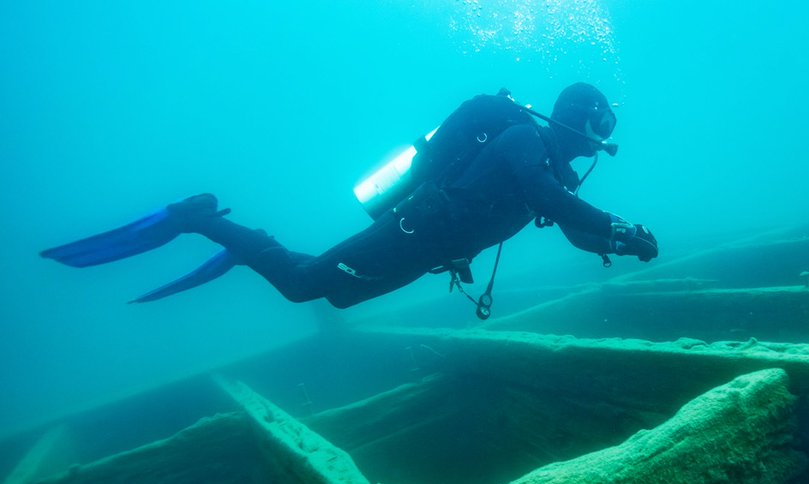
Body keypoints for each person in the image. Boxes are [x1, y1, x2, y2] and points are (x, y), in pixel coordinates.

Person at [41, 83, 658, 315]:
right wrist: (619, 226)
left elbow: (569, 222)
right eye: (602, 126)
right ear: (582, 119)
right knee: (305, 284)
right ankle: (201, 220)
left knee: (332, 297)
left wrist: (615, 240)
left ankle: (251, 247)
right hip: (414, 234)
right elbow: (547, 196)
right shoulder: (526, 140)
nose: (602, 141)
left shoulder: (553, 167)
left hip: (429, 254)